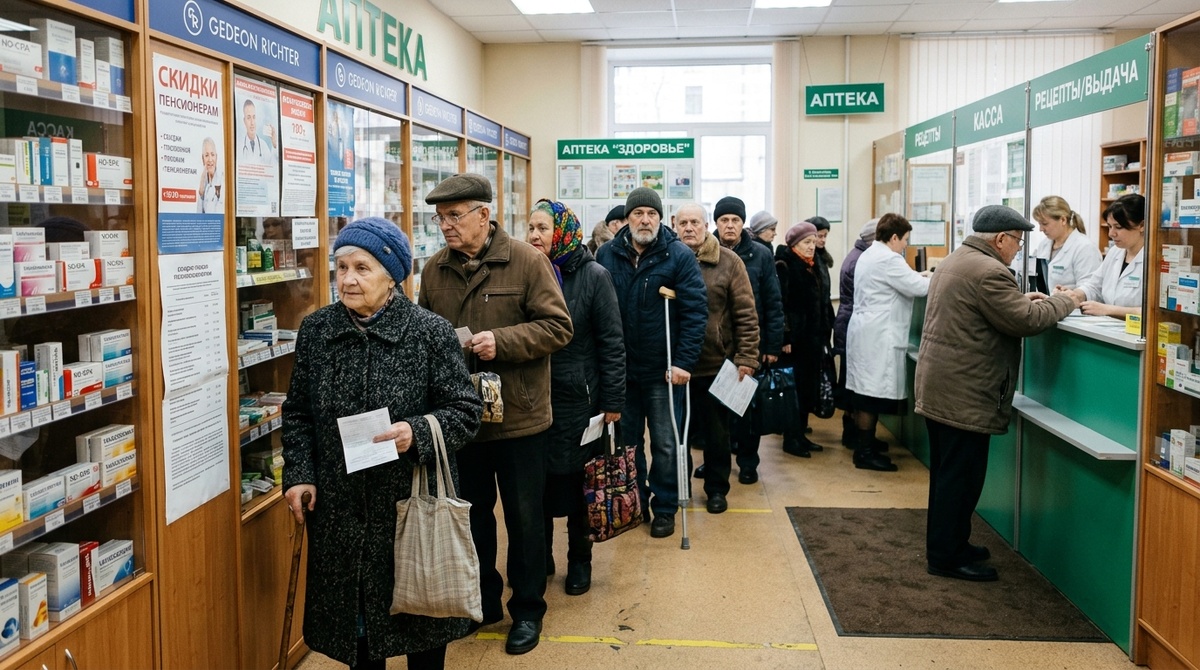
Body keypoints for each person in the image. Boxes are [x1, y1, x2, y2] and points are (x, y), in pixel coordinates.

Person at [282, 217, 483, 670]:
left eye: (362, 268)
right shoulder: (318, 331)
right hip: (341, 513)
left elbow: (465, 411)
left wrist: (417, 432)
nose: (348, 279)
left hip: (410, 509)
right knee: (360, 642)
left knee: (420, 630)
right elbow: (297, 413)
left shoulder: (429, 332)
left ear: (392, 276)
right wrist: (299, 476)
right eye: (341, 267)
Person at [418, 173, 573, 655]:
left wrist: (499, 342)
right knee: (472, 517)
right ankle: (484, 600)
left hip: (521, 419)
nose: (445, 225)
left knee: (526, 519)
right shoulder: (434, 271)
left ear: (484, 216)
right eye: (440, 217)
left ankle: (528, 610)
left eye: (454, 216)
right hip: (463, 418)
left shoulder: (527, 261)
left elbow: (558, 326)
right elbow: (423, 335)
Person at [915, 205, 1081, 582]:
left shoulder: (959, 260)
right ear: (1001, 239)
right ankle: (945, 556)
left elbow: (993, 312)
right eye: (1017, 243)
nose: (1018, 250)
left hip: (944, 385)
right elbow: (1027, 321)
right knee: (961, 478)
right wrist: (1067, 300)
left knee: (947, 475)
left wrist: (1024, 301)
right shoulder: (990, 271)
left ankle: (952, 542)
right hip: (965, 390)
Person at [526, 199, 625, 597]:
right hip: (533, 398)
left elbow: (612, 343)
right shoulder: (525, 272)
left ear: (563, 231)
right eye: (530, 228)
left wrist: (613, 402)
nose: (534, 236)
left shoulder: (594, 276)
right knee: (537, 484)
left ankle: (579, 560)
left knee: (580, 484)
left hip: (580, 401)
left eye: (543, 229)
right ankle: (540, 555)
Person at [596, 187, 706, 539]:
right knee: (628, 444)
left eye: (652, 214)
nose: (645, 219)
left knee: (664, 441)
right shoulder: (606, 254)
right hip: (622, 372)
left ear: (661, 218)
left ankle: (665, 506)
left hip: (663, 370)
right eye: (638, 213)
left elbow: (694, 312)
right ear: (627, 219)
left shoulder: (678, 256)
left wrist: (684, 362)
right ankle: (637, 500)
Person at [673, 203, 759, 512]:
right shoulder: (668, 257)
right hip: (675, 364)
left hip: (715, 363)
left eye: (695, 222)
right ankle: (679, 488)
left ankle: (717, 489)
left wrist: (747, 356)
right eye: (683, 222)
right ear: (674, 224)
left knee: (717, 435)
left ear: (706, 224)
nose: (689, 228)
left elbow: (746, 313)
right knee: (676, 434)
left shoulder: (729, 261)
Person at [844, 214, 930, 473]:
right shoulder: (889, 259)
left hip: (866, 332)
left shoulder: (872, 253)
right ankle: (865, 453)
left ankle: (865, 443)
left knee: (865, 392)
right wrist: (941, 276)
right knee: (871, 395)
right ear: (893, 237)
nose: (905, 245)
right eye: (904, 240)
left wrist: (921, 275)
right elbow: (919, 288)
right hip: (878, 335)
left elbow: (904, 279)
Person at [713, 197, 785, 485]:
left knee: (746, 410)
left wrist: (771, 346)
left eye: (735, 220)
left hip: (749, 343)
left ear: (743, 223)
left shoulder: (761, 254)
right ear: (716, 223)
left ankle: (747, 462)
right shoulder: (705, 252)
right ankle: (715, 461)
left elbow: (773, 301)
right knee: (715, 412)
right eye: (724, 220)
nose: (730, 225)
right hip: (715, 345)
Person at [775, 221, 831, 456]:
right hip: (795, 341)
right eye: (806, 242)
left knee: (807, 387)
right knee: (794, 390)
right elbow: (782, 304)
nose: (812, 246)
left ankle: (801, 435)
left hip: (812, 338)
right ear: (794, 244)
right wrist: (785, 337)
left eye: (813, 242)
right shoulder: (786, 265)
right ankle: (792, 438)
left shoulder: (811, 265)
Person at [1058, 193, 1145, 318]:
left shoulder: (1154, 260)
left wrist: (1108, 309)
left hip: (1138, 333)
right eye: (1109, 226)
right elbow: (1094, 286)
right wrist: (1074, 295)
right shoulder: (1115, 252)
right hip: (1109, 330)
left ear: (1141, 226)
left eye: (1118, 227)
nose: (1111, 233)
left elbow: (1154, 312)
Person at [833, 218, 878, 448]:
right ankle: (853, 436)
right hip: (851, 324)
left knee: (850, 382)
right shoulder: (862, 260)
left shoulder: (857, 255)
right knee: (854, 386)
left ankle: (851, 434)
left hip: (847, 321)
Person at [1031, 196, 1100, 290]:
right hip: (1051, 303)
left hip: (1074, 304)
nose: (1041, 229)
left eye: (1045, 224)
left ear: (1063, 220)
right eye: (1039, 224)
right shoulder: (1044, 245)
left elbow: (1089, 290)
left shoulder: (1085, 248)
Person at [807, 216, 837, 338]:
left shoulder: (822, 258)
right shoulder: (809, 259)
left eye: (825, 236)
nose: (823, 240)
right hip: (813, 318)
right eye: (820, 236)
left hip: (824, 315)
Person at [239, 98, 276, 165]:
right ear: (244, 121)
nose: (252, 122)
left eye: (254, 117)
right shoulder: (239, 146)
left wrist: (274, 145)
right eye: (248, 118)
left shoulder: (263, 146)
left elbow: (273, 167)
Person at [197, 137, 223, 214]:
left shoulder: (222, 180)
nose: (210, 159)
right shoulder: (204, 182)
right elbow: (198, 217)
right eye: (206, 155)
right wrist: (201, 193)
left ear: (216, 157)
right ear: (203, 159)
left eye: (212, 154)